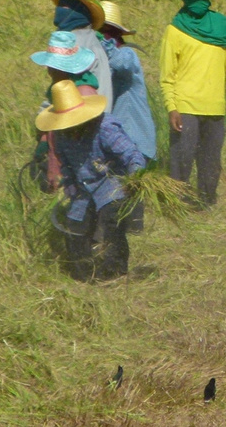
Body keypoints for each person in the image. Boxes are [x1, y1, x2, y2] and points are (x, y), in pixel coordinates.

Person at [33, 36, 147, 282]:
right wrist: (69, 187)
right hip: (84, 188)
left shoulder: (105, 128)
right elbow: (68, 168)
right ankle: (82, 273)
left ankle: (116, 272)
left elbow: (131, 154)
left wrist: (136, 176)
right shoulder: (63, 137)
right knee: (75, 227)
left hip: (111, 182)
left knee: (110, 224)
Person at [159, 0, 226, 207]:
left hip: (215, 108)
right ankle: (176, 209)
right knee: (181, 160)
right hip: (185, 107)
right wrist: (171, 107)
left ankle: (206, 207)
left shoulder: (224, 28)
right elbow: (167, 74)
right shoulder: (174, 30)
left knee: (211, 162)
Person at [100, 0, 157, 233]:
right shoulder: (101, 64)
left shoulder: (127, 54)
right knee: (118, 188)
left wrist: (104, 44)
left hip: (136, 135)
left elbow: (121, 65)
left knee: (133, 187)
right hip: (115, 137)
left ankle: (135, 231)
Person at [49, 0, 113, 104]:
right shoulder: (91, 38)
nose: (59, 9)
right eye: (60, 5)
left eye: (66, 5)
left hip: (85, 115)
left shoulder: (74, 41)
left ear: (78, 10)